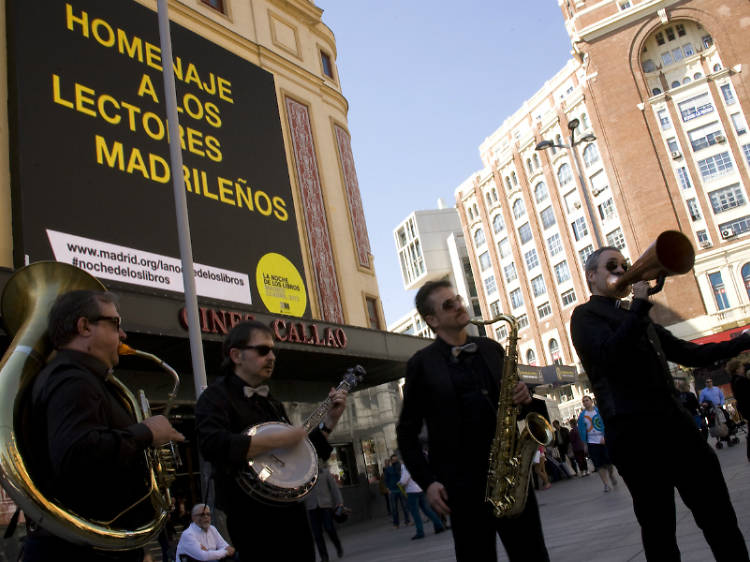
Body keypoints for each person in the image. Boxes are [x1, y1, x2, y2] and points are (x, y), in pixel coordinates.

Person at [570, 246, 750, 561]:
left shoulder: (634, 316)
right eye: (612, 265)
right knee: (659, 530)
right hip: (635, 437)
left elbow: (688, 353)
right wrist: (639, 305)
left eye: (624, 264)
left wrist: (742, 341)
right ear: (591, 276)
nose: (623, 269)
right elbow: (609, 356)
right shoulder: (585, 316)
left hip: (676, 428)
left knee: (718, 516)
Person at [25, 289, 185, 561]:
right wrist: (148, 432)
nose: (123, 335)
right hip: (80, 550)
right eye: (116, 324)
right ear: (84, 326)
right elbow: (78, 454)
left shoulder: (84, 379)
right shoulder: (73, 380)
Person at [397, 280, 550, 561]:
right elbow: (406, 434)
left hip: (510, 477)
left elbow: (521, 410)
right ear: (432, 320)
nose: (459, 305)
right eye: (448, 305)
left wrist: (525, 398)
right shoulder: (421, 365)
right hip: (462, 489)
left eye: (457, 299)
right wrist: (428, 482)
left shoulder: (491, 349)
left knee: (533, 555)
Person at [195, 320, 348, 561]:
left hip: (292, 514)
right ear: (236, 355)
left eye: (273, 350)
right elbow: (212, 445)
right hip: (252, 518)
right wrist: (279, 439)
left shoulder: (271, 402)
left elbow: (299, 452)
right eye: (263, 350)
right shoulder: (214, 398)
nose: (272, 357)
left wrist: (329, 421)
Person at [304, 459, 344, 562]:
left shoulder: (325, 473)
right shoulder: (304, 476)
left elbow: (334, 489)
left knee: (329, 528)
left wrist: (339, 503)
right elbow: (302, 492)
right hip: (312, 507)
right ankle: (324, 557)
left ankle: (338, 545)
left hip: (325, 505)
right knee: (317, 534)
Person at [577, 395, 618, 492]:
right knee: (599, 464)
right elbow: (582, 430)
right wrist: (585, 444)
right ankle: (606, 484)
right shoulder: (582, 416)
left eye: (587, 400)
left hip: (603, 441)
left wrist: (605, 437)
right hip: (592, 443)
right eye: (584, 401)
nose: (585, 402)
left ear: (591, 401)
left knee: (609, 463)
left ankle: (611, 475)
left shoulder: (598, 411)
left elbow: (606, 424)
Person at [398, 461, 446, 540]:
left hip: (411, 491)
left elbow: (404, 480)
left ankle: (420, 532)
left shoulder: (405, 466)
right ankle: (439, 525)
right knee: (427, 510)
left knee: (415, 513)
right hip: (420, 489)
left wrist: (400, 483)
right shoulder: (416, 464)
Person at [727, 359, 750, 461]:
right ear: (736, 369)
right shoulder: (741, 380)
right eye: (741, 367)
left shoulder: (734, 380)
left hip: (744, 407)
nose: (743, 368)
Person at [383, 454, 411, 528]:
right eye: (393, 460)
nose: (395, 461)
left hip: (401, 489)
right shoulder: (388, 469)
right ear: (391, 461)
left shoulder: (401, 468)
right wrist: (388, 488)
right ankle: (396, 524)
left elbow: (405, 476)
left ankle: (407, 521)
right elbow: (386, 479)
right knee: (394, 508)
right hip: (392, 490)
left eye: (396, 460)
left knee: (405, 506)